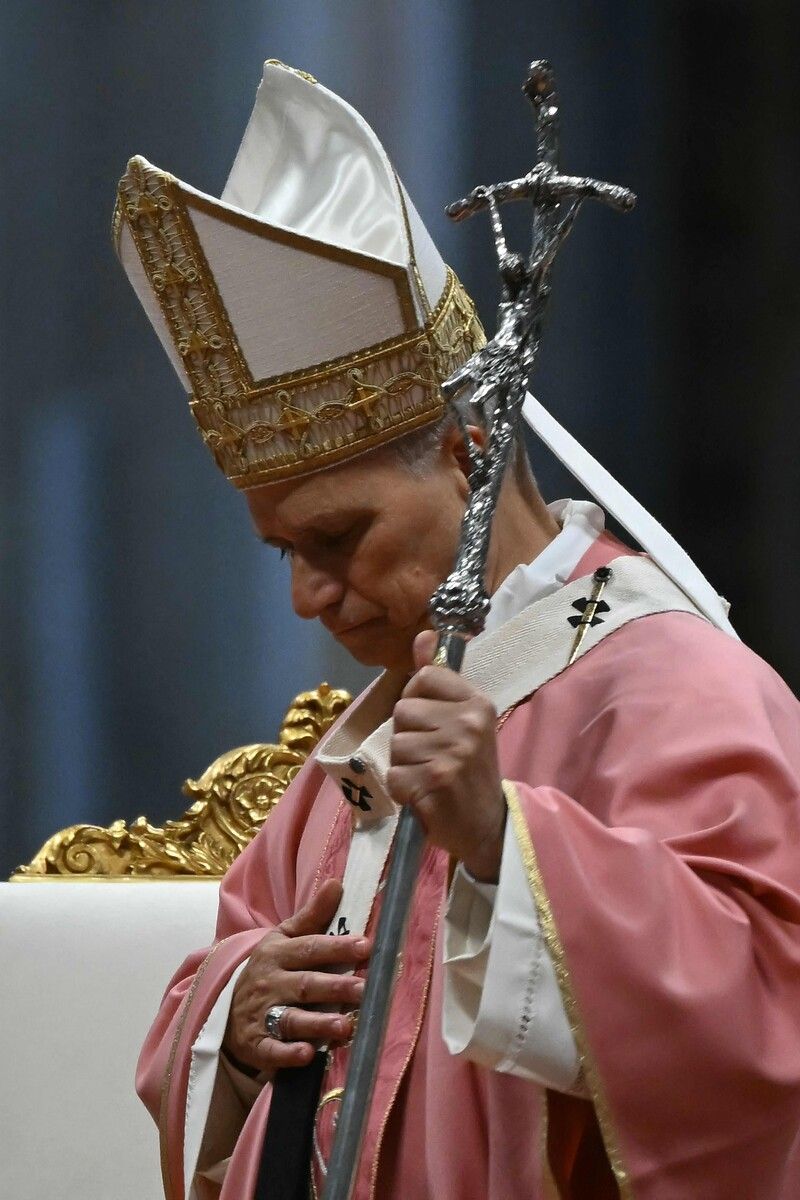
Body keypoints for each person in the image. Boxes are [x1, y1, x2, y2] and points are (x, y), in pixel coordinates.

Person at [116, 61, 800, 1200]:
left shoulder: (675, 687)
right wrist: (234, 1012)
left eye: (338, 538)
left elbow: (767, 1021)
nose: (308, 596)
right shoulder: (360, 754)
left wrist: (502, 844)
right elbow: (229, 959)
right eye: (286, 552)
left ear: (469, 459)